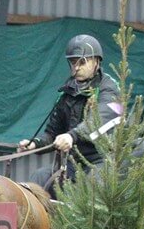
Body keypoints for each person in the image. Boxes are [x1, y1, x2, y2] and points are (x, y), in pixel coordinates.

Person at [18, 34, 122, 197]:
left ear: (96, 61)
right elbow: (53, 133)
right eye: (73, 62)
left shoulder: (110, 89)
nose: (76, 67)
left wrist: (72, 136)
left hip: (103, 163)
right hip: (74, 165)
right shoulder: (68, 92)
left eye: (82, 62)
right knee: (39, 178)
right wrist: (35, 144)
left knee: (91, 187)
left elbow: (100, 121)